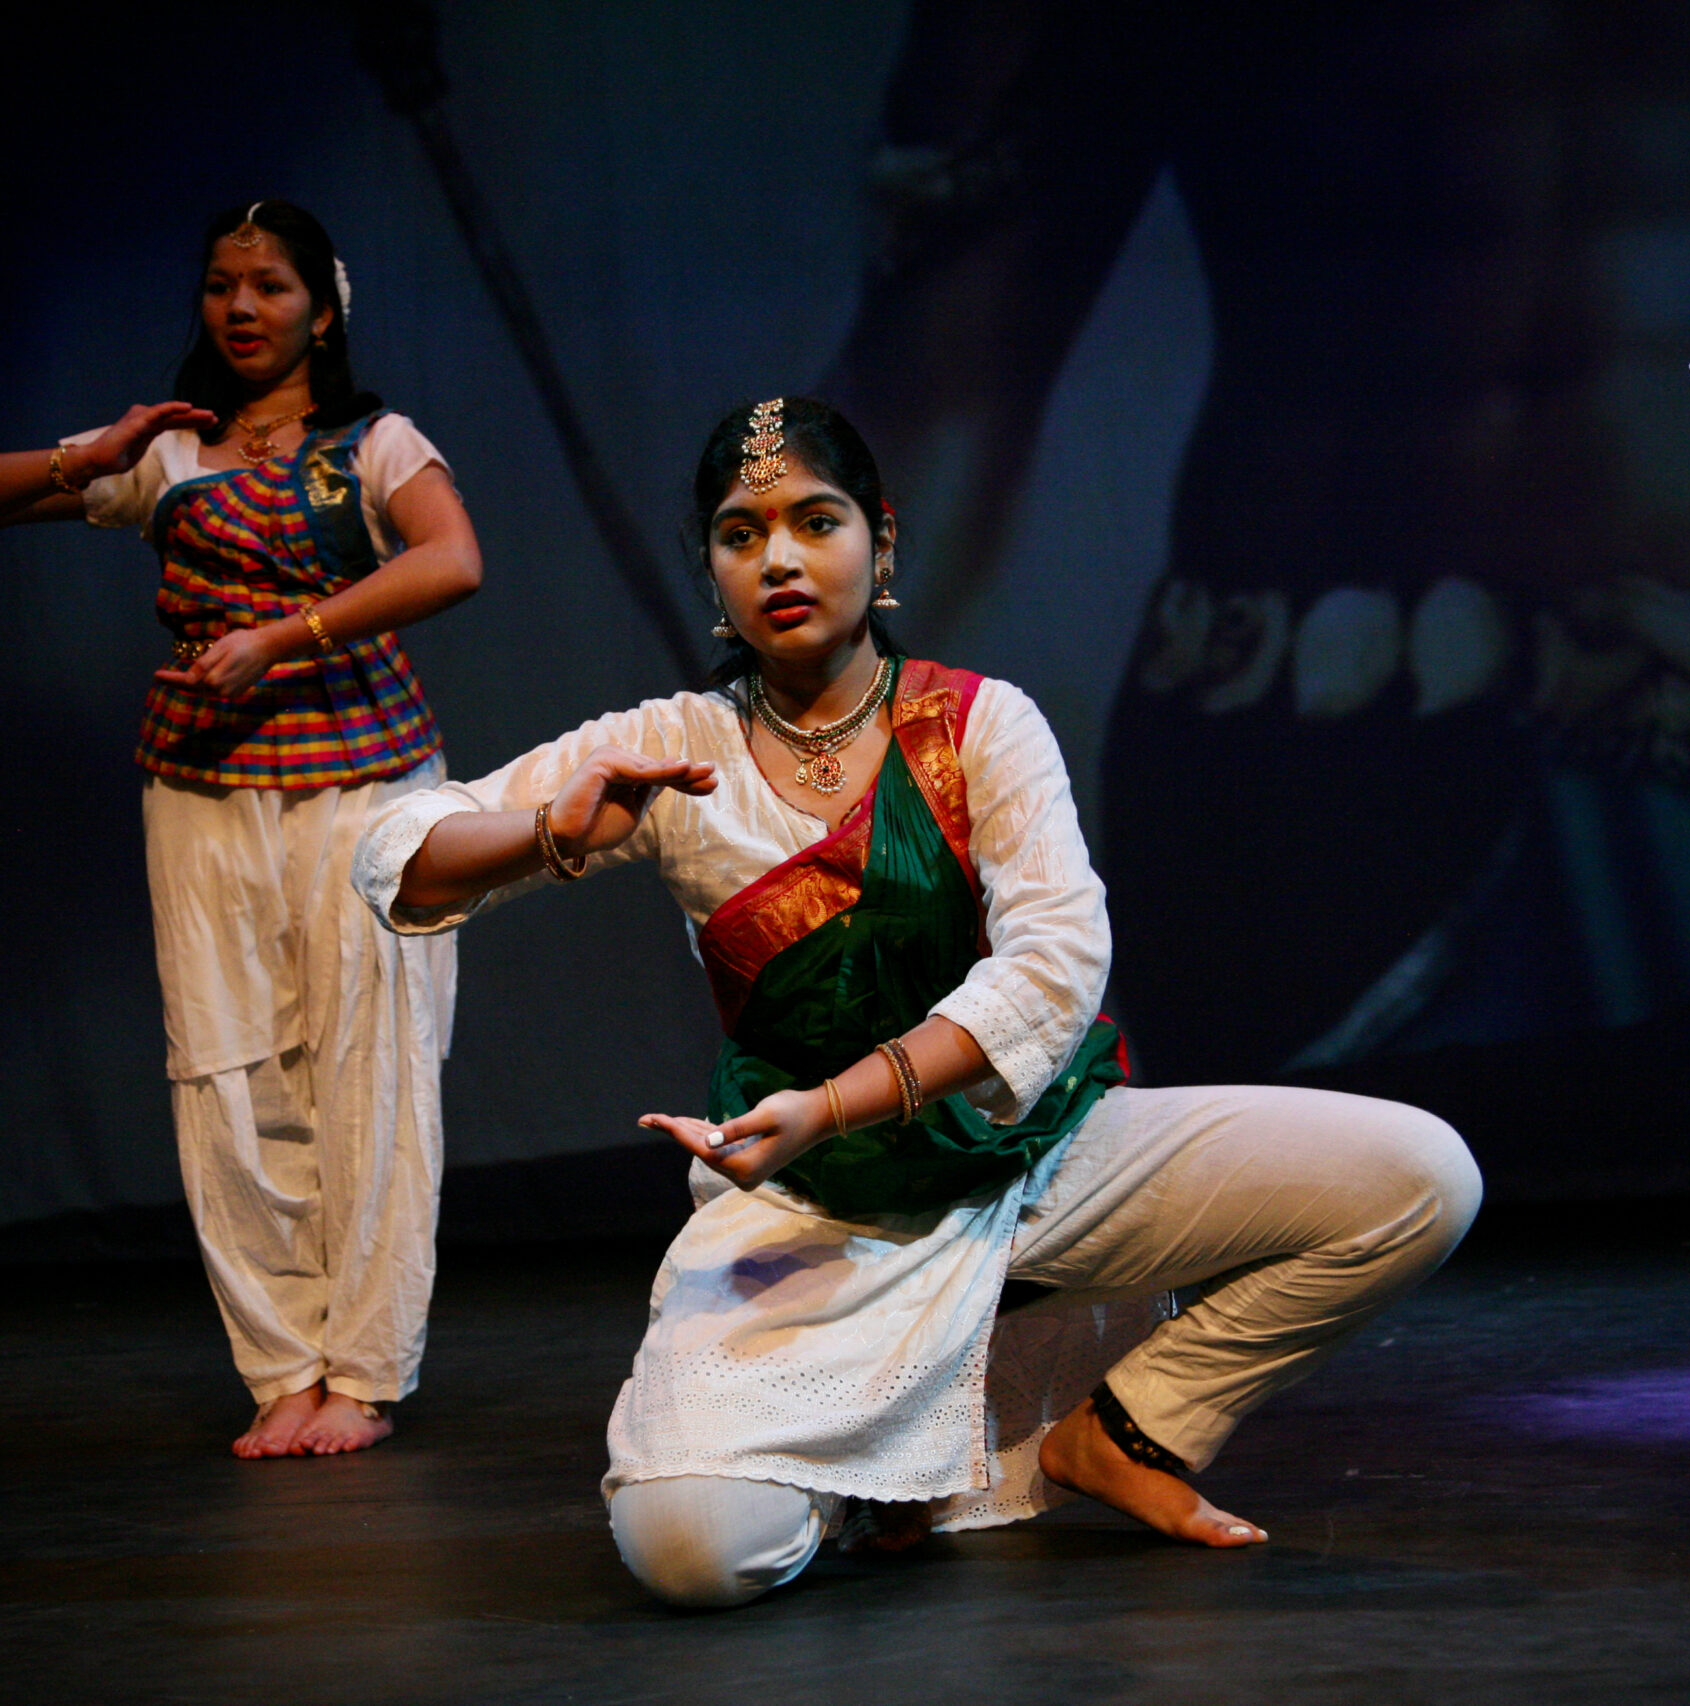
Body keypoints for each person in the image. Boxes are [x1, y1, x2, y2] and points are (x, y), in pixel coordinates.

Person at [353, 397, 1481, 1606]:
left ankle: (1132, 1429)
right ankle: (868, 1471)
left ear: (880, 544)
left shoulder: (980, 724)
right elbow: (394, 853)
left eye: (813, 520)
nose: (778, 557)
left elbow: (1054, 960)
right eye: (740, 534)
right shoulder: (672, 747)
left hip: (1032, 1160)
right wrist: (547, 830)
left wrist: (832, 1103)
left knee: (1419, 1176)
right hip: (818, 1209)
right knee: (694, 1551)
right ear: (712, 574)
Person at [0, 200, 484, 1457]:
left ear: (321, 311)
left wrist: (286, 637)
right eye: (221, 285)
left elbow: (452, 560)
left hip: (364, 782)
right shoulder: (168, 452)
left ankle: (368, 1369)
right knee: (231, 1071)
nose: (240, 307)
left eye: (270, 287)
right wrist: (91, 455)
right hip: (199, 789)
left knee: (371, 1063)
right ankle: (282, 1362)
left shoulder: (373, 442)